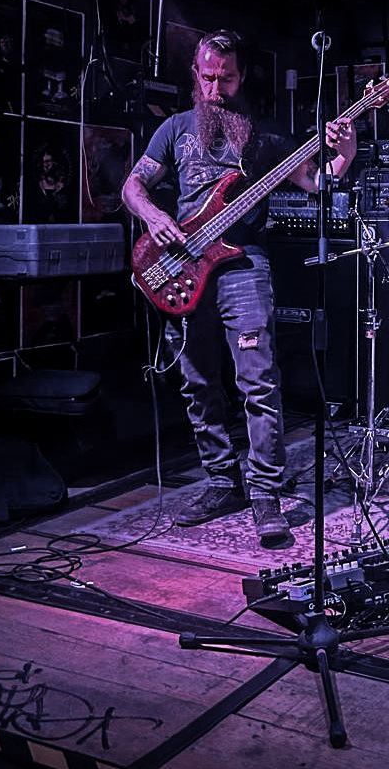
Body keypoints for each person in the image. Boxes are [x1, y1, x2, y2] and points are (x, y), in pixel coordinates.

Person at [122, 29, 356, 548]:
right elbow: (132, 187)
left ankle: (266, 495)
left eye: (225, 78)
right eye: (206, 76)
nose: (214, 87)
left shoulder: (263, 137)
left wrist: (347, 149)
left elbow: (319, 182)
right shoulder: (174, 130)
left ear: (241, 76)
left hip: (244, 266)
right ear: (195, 74)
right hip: (181, 264)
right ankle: (223, 481)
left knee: (258, 381)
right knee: (198, 381)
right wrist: (156, 214)